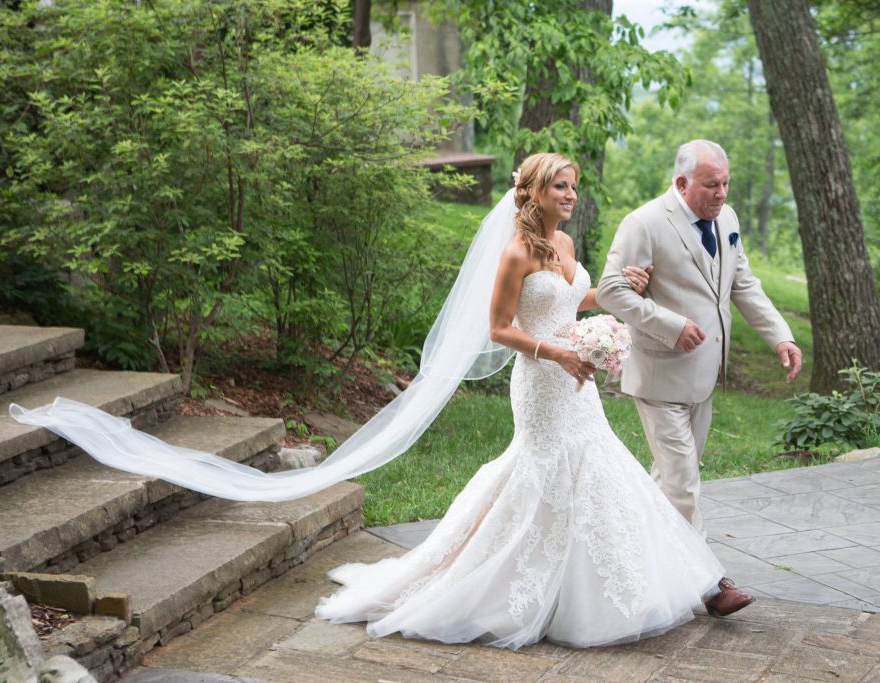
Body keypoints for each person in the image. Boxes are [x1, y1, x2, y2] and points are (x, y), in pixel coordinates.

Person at [316, 152, 751, 650]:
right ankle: (491, 581)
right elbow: (500, 327)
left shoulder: (564, 242)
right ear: (535, 191)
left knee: (601, 473)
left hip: (577, 382)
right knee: (539, 473)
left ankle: (651, 583)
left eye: (573, 187)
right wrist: (556, 353)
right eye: (560, 187)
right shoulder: (516, 252)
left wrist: (611, 296)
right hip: (542, 382)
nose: (570, 195)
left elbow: (568, 299)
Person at [596, 139, 802, 540]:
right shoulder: (644, 223)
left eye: (725, 183)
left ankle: (646, 560)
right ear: (682, 182)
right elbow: (610, 291)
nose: (721, 193)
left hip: (705, 376)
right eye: (711, 185)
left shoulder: (728, 220)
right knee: (684, 484)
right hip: (659, 376)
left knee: (669, 483)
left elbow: (743, 284)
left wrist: (780, 337)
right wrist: (672, 326)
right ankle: (709, 582)